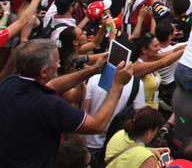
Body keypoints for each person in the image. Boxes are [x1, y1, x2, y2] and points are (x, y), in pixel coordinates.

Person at [0, 39, 133, 167]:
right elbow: (97, 125)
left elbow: (53, 85)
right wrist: (117, 85)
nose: (59, 65)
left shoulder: (9, 83)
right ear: (44, 71)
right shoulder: (50, 105)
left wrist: (93, 70)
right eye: (56, 62)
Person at [104, 107, 169, 168]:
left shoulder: (120, 134)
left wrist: (148, 150)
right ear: (149, 132)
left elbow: (127, 153)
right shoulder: (147, 159)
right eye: (156, 130)